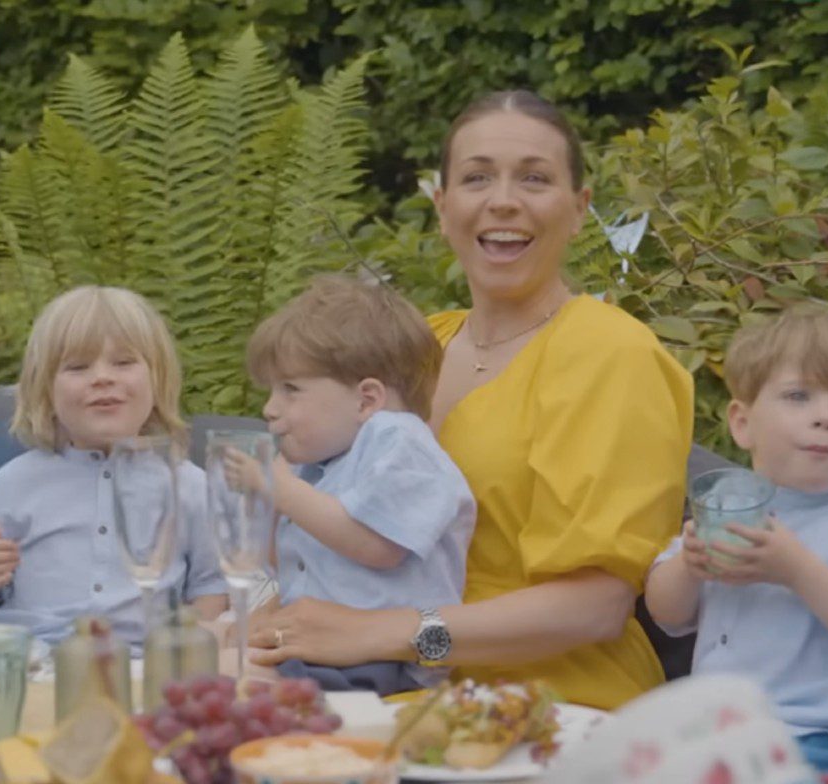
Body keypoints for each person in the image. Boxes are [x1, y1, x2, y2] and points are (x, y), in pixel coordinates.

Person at [250, 90, 694, 710]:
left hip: (553, 703)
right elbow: (328, 538)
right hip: (367, 689)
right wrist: (262, 626)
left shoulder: (612, 354)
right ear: (443, 206)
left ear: (578, 208)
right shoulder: (409, 347)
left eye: (535, 178)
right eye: (477, 177)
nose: (503, 200)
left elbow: (596, 608)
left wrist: (393, 634)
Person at [645, 306, 828, 775]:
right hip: (713, 730)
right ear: (743, 423)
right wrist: (687, 567)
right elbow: (666, 614)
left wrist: (799, 571)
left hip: (822, 737)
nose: (825, 417)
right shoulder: (725, 503)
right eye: (799, 396)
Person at [0, 286, 227, 646]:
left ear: (158, 379)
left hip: (144, 662)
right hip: (33, 658)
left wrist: (186, 646)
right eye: (78, 367)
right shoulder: (16, 482)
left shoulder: (186, 484)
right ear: (46, 391)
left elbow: (212, 583)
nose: (102, 377)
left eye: (123, 363)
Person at [239, 275, 475, 694]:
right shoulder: (324, 462)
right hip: (325, 651)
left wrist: (282, 489)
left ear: (367, 400)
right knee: (209, 656)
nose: (270, 409)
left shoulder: (400, 441)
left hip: (385, 660)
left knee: (221, 677)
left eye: (291, 390)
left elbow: (377, 547)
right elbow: (283, 563)